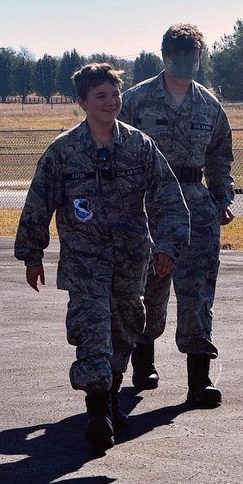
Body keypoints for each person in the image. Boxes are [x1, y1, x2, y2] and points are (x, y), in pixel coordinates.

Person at [15, 63, 190, 452]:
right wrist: (32, 254)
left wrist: (167, 245)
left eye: (115, 94)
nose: (111, 102)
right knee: (92, 328)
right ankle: (97, 411)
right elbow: (38, 203)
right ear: (83, 102)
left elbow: (167, 197)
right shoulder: (63, 151)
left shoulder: (139, 146)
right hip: (85, 261)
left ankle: (111, 397)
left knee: (124, 329)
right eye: (101, 96)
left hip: (131, 259)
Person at [118, 23, 234, 408]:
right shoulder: (137, 100)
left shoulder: (209, 105)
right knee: (150, 287)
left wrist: (221, 199)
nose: (187, 64)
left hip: (197, 207)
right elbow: (118, 151)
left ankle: (199, 381)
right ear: (165, 56)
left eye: (193, 58)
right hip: (150, 206)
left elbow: (220, 157)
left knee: (198, 292)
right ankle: (143, 359)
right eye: (179, 57)